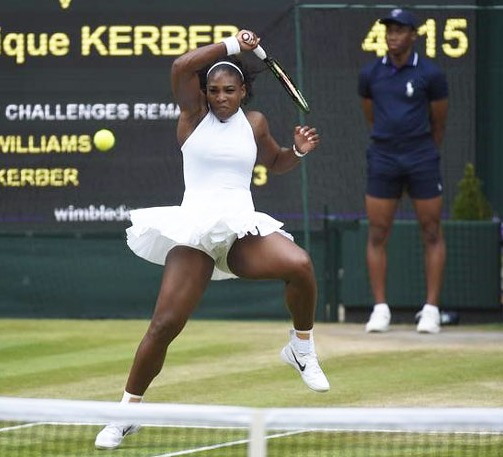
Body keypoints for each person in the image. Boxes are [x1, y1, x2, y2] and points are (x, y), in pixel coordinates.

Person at [95, 29, 329, 450]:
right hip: (196, 232)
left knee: (300, 265)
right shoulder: (192, 117)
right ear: (204, 92)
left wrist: (297, 152)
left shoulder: (255, 124)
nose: (221, 97)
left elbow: (275, 162)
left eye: (230, 90)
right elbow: (181, 66)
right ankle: (126, 414)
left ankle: (301, 348)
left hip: (241, 230)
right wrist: (234, 44)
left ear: (243, 92)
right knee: (165, 325)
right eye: (214, 90)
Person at [358, 9, 448, 334]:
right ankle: (380, 309)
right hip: (383, 157)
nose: (393, 36)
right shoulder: (370, 74)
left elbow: (439, 122)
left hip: (422, 158)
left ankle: (431, 310)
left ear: (413, 35)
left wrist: (421, 148)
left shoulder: (431, 74)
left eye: (399, 30)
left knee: (432, 231)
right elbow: (371, 115)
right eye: (389, 31)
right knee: (378, 232)